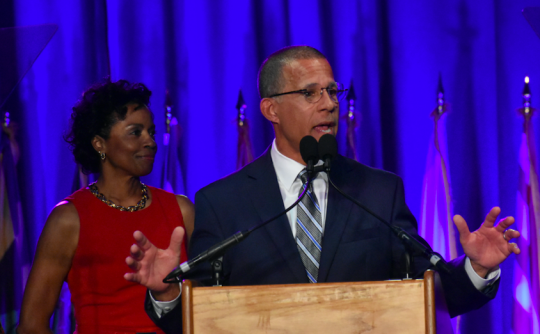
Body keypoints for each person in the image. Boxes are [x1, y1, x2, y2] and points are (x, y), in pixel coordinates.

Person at [124, 46, 520, 333]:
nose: (329, 104)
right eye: (310, 93)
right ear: (271, 110)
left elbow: (429, 292)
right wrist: (166, 294)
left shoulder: (379, 191)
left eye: (333, 91)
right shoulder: (222, 202)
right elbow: (201, 317)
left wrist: (478, 268)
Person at [17, 79, 194, 334]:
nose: (151, 142)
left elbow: (210, 304)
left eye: (151, 132)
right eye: (136, 132)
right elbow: (31, 325)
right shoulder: (69, 219)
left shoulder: (182, 210)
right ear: (99, 144)